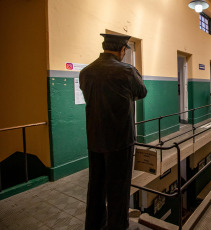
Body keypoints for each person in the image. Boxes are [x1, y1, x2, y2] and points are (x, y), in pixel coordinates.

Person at [80, 33, 147, 230]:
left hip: (94, 137)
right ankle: (117, 226)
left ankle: (94, 225)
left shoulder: (86, 72)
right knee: (118, 187)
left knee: (96, 185)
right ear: (122, 50)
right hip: (120, 139)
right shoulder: (127, 70)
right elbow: (142, 92)